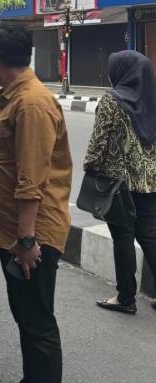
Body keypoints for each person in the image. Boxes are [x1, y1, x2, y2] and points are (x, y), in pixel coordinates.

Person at [0, 25, 71, 383]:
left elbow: (31, 180)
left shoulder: (32, 103)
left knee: (37, 324)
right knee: (26, 318)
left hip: (32, 236)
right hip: (16, 234)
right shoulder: (15, 96)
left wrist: (26, 239)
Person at [83, 51, 156, 315]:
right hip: (150, 182)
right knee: (149, 236)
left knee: (123, 236)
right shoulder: (152, 99)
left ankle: (126, 297)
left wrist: (90, 168)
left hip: (118, 183)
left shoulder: (111, 101)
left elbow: (98, 144)